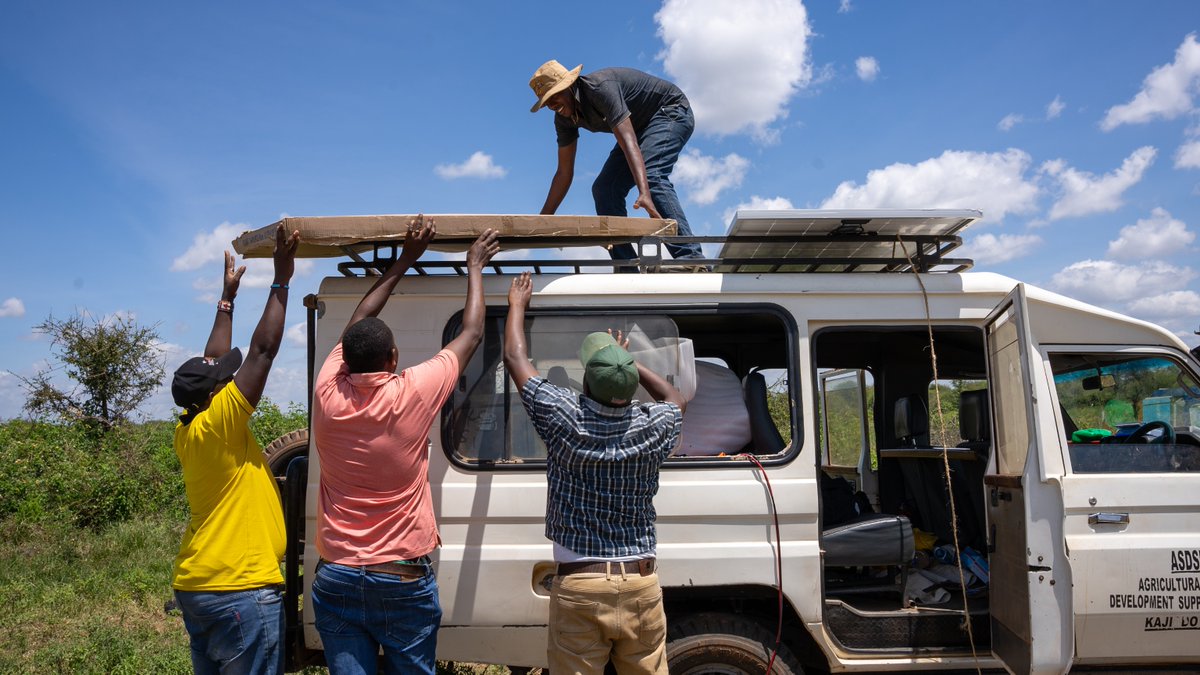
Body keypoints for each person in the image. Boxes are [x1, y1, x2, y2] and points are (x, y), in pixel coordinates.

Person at [309, 215, 499, 675]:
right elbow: (471, 334)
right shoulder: (409, 392)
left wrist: (403, 261)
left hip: (335, 573)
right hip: (399, 576)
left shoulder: (327, 394)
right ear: (393, 358)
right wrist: (474, 265)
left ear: (344, 359)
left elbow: (359, 320)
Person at [502, 271, 687, 675]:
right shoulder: (653, 427)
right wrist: (628, 362)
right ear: (632, 385)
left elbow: (516, 359)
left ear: (586, 381)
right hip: (641, 583)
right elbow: (675, 399)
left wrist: (517, 304)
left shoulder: (564, 418)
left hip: (580, 586)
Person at [170, 222, 299, 675]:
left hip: (199, 588)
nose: (229, 378)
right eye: (223, 381)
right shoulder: (220, 424)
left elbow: (211, 362)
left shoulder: (190, 427)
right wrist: (282, 278)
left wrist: (227, 299)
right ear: (215, 396)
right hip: (238, 591)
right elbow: (263, 352)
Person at [529, 59, 706, 266]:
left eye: (555, 96)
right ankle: (626, 264)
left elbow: (628, 140)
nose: (551, 105)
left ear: (569, 86)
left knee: (652, 175)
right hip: (638, 128)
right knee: (605, 189)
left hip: (670, 112)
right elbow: (564, 173)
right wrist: (542, 222)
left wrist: (644, 192)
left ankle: (691, 258)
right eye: (546, 102)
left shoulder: (600, 88)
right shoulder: (564, 119)